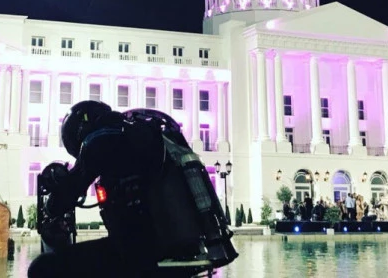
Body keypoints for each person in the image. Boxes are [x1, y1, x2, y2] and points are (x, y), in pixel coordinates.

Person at [28, 101, 237, 278]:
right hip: (175, 249)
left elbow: (71, 189)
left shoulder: (100, 139)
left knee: (42, 268)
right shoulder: (135, 137)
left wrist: (52, 203)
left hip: (139, 252)